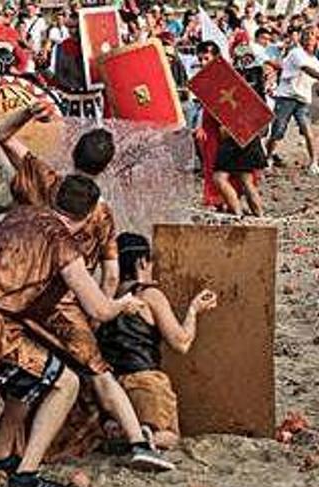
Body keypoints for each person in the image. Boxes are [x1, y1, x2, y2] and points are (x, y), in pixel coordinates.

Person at [0, 175, 143, 487]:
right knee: (65, 382)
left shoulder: (23, 213)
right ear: (88, 215)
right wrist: (123, 303)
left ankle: (1, 458)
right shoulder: (63, 244)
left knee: (25, 380)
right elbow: (98, 309)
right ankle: (26, 476)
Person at [0, 104, 174, 475]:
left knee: (24, 375)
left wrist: (27, 113)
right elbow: (108, 274)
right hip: (65, 304)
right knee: (98, 372)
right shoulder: (102, 214)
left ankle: (1, 454)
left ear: (73, 153)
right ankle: (138, 442)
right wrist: (99, 312)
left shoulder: (49, 180)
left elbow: (3, 135)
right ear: (105, 167)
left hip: (21, 294)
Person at [97, 233, 218, 449]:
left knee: (126, 427)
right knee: (170, 436)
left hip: (110, 386)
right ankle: (143, 437)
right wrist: (193, 310)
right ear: (142, 262)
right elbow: (181, 342)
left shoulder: (102, 298)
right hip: (145, 380)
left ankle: (120, 431)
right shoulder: (150, 295)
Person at [195, 41, 265, 216]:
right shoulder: (230, 76)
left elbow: (233, 110)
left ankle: (240, 216)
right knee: (245, 180)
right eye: (200, 59)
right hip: (245, 134)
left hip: (236, 136)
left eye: (206, 58)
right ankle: (259, 217)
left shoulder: (223, 78)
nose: (203, 62)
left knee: (222, 178)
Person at [265, 26, 319, 175]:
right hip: (286, 98)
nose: (309, 37)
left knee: (308, 131)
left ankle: (313, 163)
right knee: (278, 131)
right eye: (306, 34)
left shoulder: (315, 59)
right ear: (302, 38)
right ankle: (267, 159)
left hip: (303, 99)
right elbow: (307, 69)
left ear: (316, 40)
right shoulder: (296, 53)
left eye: (313, 35)